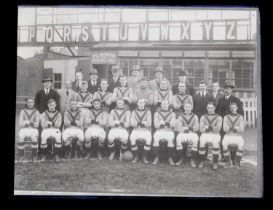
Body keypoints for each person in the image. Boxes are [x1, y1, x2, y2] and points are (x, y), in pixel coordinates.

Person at [198, 102, 222, 170]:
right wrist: (212, 127)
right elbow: (201, 129)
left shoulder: (219, 117)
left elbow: (218, 129)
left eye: (211, 108)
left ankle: (215, 163)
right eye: (208, 108)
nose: (210, 109)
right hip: (205, 134)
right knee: (202, 142)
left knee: (215, 143)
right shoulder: (203, 117)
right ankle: (202, 161)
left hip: (215, 134)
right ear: (206, 108)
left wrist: (207, 127)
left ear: (214, 108)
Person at [152, 100, 176, 166]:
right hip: (159, 131)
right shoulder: (157, 113)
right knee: (156, 137)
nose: (164, 106)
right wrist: (168, 123)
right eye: (163, 104)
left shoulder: (172, 113)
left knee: (170, 139)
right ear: (161, 105)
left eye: (166, 104)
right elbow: (156, 125)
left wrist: (162, 123)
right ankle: (156, 157)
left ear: (168, 105)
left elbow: (173, 124)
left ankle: (170, 158)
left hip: (169, 131)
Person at [175, 102, 199, 167]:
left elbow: (196, 128)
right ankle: (181, 158)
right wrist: (190, 128)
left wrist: (187, 128)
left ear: (191, 108)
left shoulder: (195, 116)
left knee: (195, 139)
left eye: (189, 107)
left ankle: (192, 159)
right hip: (183, 133)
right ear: (184, 108)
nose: (187, 108)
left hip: (192, 133)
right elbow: (179, 128)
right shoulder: (180, 117)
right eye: (186, 107)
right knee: (178, 138)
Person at [222, 102, 245, 169]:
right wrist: (236, 127)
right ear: (229, 108)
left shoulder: (240, 117)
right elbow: (224, 129)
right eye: (231, 108)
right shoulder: (226, 117)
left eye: (234, 107)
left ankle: (237, 163)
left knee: (241, 143)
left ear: (237, 108)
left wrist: (230, 127)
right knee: (224, 143)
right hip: (228, 135)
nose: (232, 109)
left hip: (237, 136)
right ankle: (227, 162)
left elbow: (241, 129)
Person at [17, 97, 40, 163]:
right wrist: (32, 123)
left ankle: (34, 156)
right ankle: (21, 156)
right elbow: (20, 124)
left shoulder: (36, 112)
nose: (30, 104)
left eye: (31, 102)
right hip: (24, 129)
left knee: (34, 138)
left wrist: (27, 122)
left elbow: (37, 124)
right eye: (28, 102)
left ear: (34, 103)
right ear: (26, 103)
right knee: (21, 136)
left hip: (33, 129)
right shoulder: (22, 111)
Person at [130, 98, 152, 164]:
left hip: (145, 130)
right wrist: (143, 123)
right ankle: (136, 156)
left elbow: (149, 124)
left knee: (149, 139)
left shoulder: (148, 112)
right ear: (137, 104)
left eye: (142, 103)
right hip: (136, 130)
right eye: (140, 103)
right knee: (132, 138)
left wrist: (138, 123)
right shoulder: (134, 112)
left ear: (144, 104)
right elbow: (132, 124)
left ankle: (144, 157)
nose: (141, 104)